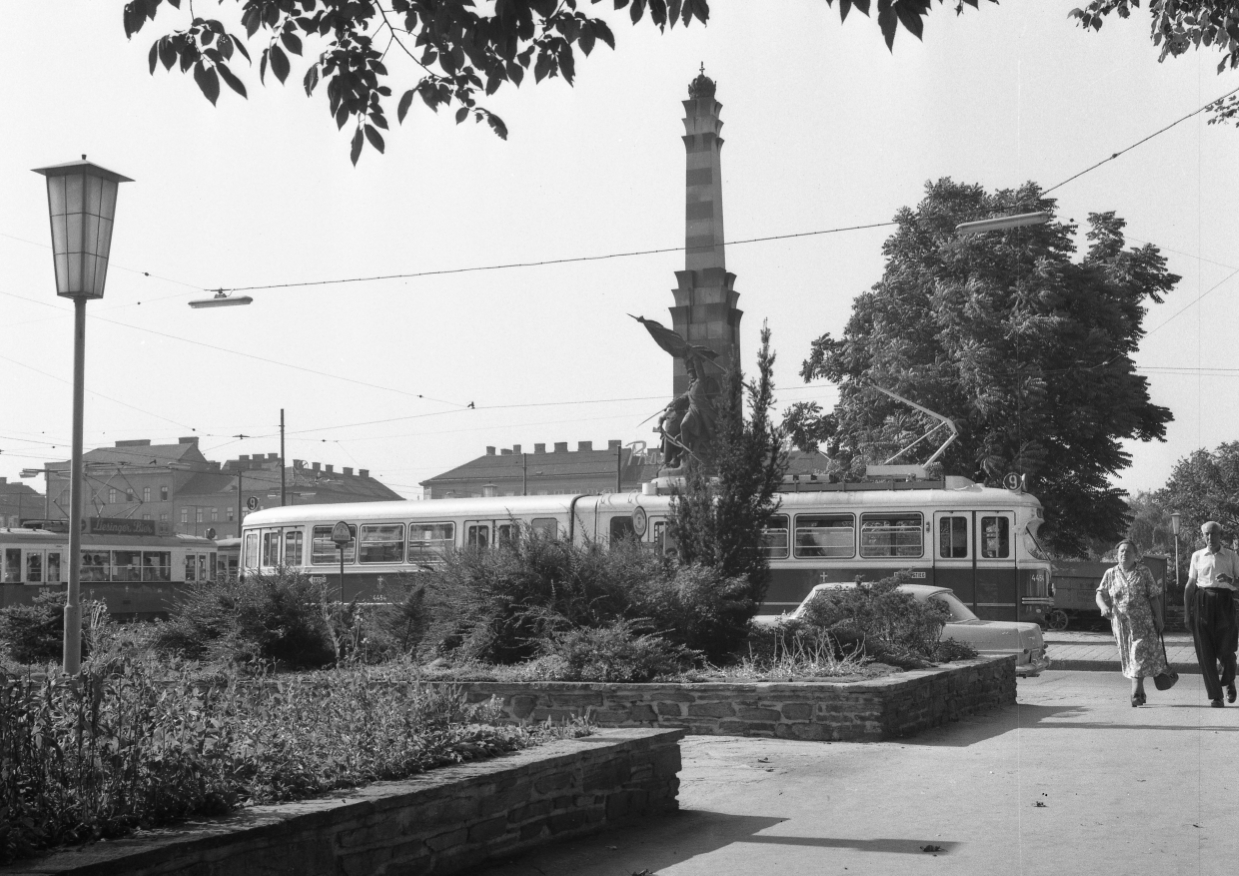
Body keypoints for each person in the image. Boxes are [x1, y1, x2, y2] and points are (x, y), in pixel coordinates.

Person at [1096, 540, 1166, 707]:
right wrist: (1104, 607)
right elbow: (1099, 594)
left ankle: (1135, 691)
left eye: (1128, 552)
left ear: (1135, 555)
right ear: (1116, 555)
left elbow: (1154, 597)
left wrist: (1160, 619)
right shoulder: (1110, 573)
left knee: (1138, 654)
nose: (1124, 554)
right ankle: (1140, 691)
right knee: (1128, 656)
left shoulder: (1144, 572)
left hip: (1143, 623)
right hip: (1121, 625)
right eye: (1121, 552)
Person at [1184, 520, 1239, 707]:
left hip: (1225, 602)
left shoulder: (1231, 556)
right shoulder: (1197, 556)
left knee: (1227, 650)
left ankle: (1229, 679)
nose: (1210, 537)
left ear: (1220, 535)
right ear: (1202, 536)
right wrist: (1186, 614)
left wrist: (1230, 580)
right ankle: (1216, 696)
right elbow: (1190, 586)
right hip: (1202, 602)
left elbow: (1238, 583)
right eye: (1206, 534)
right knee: (1205, 652)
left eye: (1214, 533)